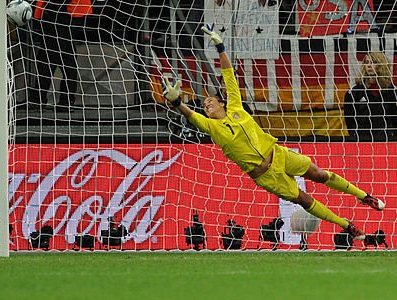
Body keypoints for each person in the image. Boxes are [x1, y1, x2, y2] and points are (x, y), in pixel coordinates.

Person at [162, 26, 385, 240]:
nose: (207, 105)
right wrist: (176, 102)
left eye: (210, 101)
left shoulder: (236, 107)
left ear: (222, 103)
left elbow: (229, 75)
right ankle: (347, 225)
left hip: (278, 154)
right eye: (205, 106)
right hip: (266, 176)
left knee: (320, 175)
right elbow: (190, 114)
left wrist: (220, 48)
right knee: (304, 200)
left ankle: (364, 196)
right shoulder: (212, 127)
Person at [343, 52, 397, 141]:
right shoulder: (354, 92)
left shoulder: (392, 92)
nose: (369, 66)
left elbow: (395, 119)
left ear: (382, 65)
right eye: (367, 62)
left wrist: (391, 134)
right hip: (361, 139)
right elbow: (350, 120)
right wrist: (355, 135)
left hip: (385, 138)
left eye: (373, 62)